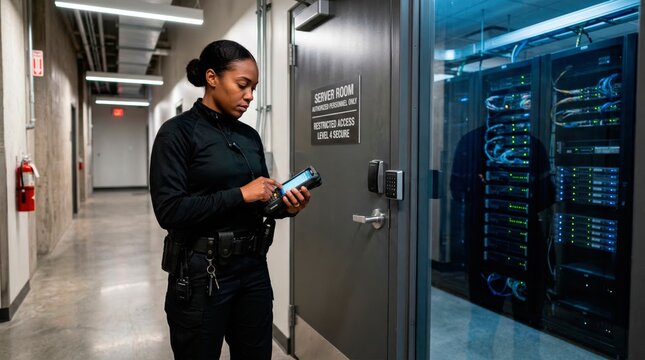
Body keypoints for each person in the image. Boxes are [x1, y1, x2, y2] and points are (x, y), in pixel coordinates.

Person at [150, 39, 311, 360]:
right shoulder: (177, 133)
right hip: (201, 272)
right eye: (242, 85)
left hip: (252, 269)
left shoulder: (249, 137)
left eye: (253, 87)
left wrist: (285, 206)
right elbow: (170, 211)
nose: (250, 95)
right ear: (212, 78)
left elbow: (260, 203)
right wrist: (241, 193)